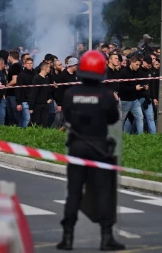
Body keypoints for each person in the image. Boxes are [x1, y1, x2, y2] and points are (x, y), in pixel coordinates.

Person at [57, 50, 124, 251]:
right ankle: (106, 237)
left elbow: (66, 117)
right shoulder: (106, 95)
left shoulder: (71, 93)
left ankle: (67, 237)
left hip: (77, 146)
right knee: (103, 192)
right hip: (99, 148)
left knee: (74, 192)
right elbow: (113, 119)